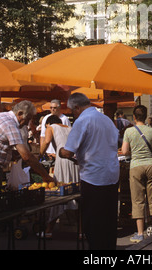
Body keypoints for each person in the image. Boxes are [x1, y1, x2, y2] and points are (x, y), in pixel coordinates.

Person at [0, 100, 53, 250]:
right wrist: (45, 176)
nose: (26, 124)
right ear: (20, 114)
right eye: (26, 120)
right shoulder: (10, 124)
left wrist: (11, 154)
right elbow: (26, 155)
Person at [59, 93, 119, 250]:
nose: (73, 114)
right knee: (109, 223)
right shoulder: (107, 120)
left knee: (93, 225)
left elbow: (68, 152)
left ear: (77, 108)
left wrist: (60, 151)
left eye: (73, 111)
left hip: (93, 178)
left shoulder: (82, 121)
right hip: (111, 176)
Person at [122, 105, 152, 244]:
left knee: (137, 200)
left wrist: (134, 151)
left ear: (134, 117)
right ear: (145, 117)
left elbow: (125, 151)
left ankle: (140, 233)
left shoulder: (129, 131)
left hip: (136, 166)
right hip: (151, 165)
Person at [40, 114, 80, 238]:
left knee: (58, 194)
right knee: (75, 194)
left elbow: (46, 142)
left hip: (62, 162)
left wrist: (39, 155)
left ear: (48, 124)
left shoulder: (50, 127)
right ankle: (81, 231)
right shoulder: (70, 128)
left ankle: (48, 230)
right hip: (75, 162)